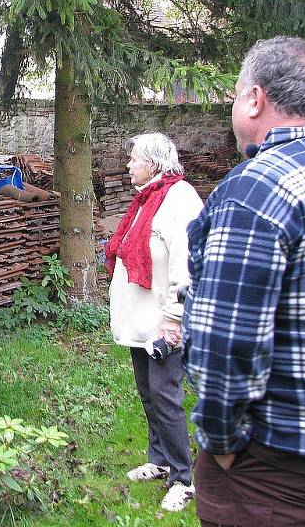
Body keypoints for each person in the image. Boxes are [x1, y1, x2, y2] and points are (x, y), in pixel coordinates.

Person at [183, 36, 305, 526]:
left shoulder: (256, 190)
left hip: (272, 467)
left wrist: (221, 444)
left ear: (254, 98)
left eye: (234, 93)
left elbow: (224, 342)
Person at [105, 132, 203, 512]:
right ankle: (159, 459)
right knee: (149, 393)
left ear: (155, 163)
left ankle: (184, 478)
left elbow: (185, 265)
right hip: (140, 321)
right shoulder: (146, 199)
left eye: (134, 159)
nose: (128, 165)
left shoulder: (180, 201)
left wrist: (174, 320)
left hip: (163, 322)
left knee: (166, 396)